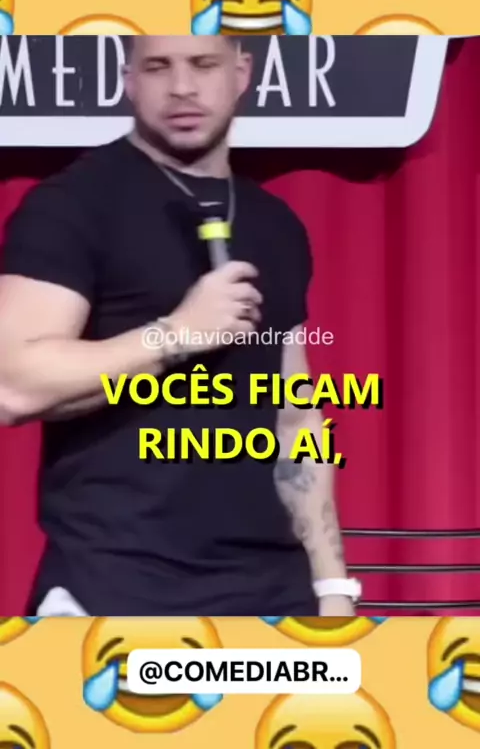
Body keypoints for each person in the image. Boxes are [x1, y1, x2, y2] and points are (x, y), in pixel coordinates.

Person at [0, 36, 359, 617]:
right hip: (115, 588)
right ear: (129, 80)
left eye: (203, 64)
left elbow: (295, 418)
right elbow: (11, 384)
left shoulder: (276, 224)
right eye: (158, 67)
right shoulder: (73, 205)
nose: (183, 88)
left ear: (241, 72)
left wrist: (332, 588)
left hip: (273, 593)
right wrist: (176, 334)